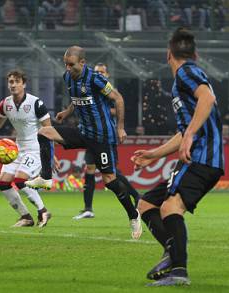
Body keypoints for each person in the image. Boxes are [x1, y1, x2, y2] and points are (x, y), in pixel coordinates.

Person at [132, 28, 224, 286]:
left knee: (171, 207)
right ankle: (172, 256)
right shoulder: (186, 79)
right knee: (146, 205)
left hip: (203, 158)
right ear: (195, 53)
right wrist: (153, 154)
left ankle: (179, 270)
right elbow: (185, 131)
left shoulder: (186, 72)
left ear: (168, 54)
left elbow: (207, 98)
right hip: (201, 156)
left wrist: (190, 135)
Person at [25, 46, 142, 239]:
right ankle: (46, 178)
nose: (68, 68)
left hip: (102, 137)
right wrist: (67, 112)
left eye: (71, 65)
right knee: (44, 132)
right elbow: (76, 98)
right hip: (83, 132)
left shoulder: (95, 79)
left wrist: (120, 127)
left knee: (110, 180)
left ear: (82, 63)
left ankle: (133, 214)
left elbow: (118, 99)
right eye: (66, 64)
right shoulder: (68, 77)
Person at [73, 63, 140, 220]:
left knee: (111, 172)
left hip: (105, 134)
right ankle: (88, 208)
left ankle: (137, 197)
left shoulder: (108, 90)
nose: (100, 74)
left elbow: (118, 107)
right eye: (97, 72)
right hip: (91, 134)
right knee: (90, 168)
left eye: (102, 72)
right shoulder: (91, 87)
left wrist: (99, 108)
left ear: (107, 74)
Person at [0, 69, 53, 228]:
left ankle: (43, 211)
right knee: (3, 183)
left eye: (17, 82)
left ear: (24, 84)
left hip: (35, 148)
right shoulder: (5, 104)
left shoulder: (36, 103)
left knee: (20, 180)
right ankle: (26, 217)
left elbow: (49, 130)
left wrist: (50, 155)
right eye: (10, 82)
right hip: (16, 149)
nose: (13, 85)